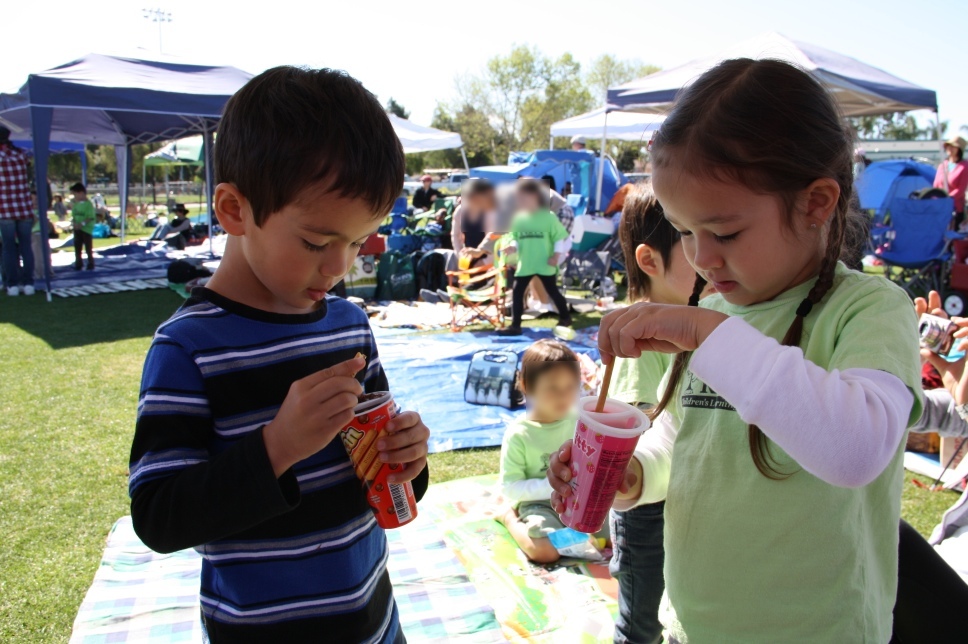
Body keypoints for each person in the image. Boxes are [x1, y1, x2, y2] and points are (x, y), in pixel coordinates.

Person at [547, 59, 923, 642]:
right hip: (693, 626)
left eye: (723, 233)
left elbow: (855, 449)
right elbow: (689, 437)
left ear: (817, 202)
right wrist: (635, 474)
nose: (702, 258)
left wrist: (705, 334)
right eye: (684, 232)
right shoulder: (718, 316)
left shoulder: (868, 311)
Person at [128, 66, 430, 643]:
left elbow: (376, 469)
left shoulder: (348, 324)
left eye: (358, 241)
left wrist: (408, 462)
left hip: (371, 621)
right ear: (235, 210)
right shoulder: (188, 347)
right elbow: (160, 516)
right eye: (317, 242)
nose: (340, 267)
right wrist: (278, 447)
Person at [607, 185, 698, 644]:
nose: (710, 256)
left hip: (679, 503)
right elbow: (638, 429)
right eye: (692, 238)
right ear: (650, 261)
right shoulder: (639, 336)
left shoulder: (702, 320)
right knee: (641, 620)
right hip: (645, 514)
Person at [498, 339, 585, 563]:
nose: (563, 395)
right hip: (539, 505)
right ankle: (509, 518)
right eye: (553, 388)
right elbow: (510, 488)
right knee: (546, 551)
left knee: (618, 530)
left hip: (577, 502)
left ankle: (577, 538)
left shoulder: (580, 421)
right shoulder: (519, 434)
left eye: (570, 387)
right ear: (527, 386)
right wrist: (556, 487)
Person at [498, 179, 571, 336]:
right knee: (517, 293)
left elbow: (558, 238)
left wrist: (556, 256)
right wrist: (512, 247)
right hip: (526, 264)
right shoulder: (519, 218)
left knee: (553, 291)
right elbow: (516, 238)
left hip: (545, 263)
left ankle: (565, 317)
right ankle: (515, 326)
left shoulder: (549, 217)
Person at [0, 126, 36, 296]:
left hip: (5, 209)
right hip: (24, 208)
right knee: (26, 247)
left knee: (8, 248)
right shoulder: (21, 155)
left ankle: (12, 284)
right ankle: (28, 283)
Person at [933, 136, 968, 226]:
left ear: (959, 149)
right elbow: (936, 185)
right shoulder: (942, 165)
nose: (950, 148)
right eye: (948, 146)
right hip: (939, 207)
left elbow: (961, 189)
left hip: (955, 208)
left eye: (953, 146)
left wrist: (947, 199)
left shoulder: (964, 166)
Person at [69, 182, 96, 271]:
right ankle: (78, 263)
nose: (74, 197)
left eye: (75, 194)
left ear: (81, 193)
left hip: (86, 230)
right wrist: (74, 223)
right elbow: (73, 216)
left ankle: (90, 263)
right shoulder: (75, 204)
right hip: (77, 229)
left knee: (88, 248)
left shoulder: (88, 204)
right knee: (77, 247)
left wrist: (81, 224)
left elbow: (90, 217)